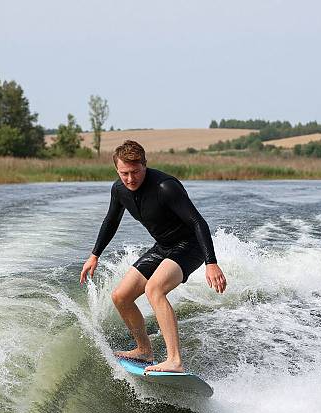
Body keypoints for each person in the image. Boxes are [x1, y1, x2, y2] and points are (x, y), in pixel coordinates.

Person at [80, 140, 226, 373]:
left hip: (190, 246)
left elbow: (198, 222)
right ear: (117, 170)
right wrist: (94, 255)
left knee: (154, 290)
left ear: (145, 165)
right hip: (163, 246)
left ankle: (174, 361)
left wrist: (211, 263)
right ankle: (144, 350)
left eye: (135, 172)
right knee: (121, 296)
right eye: (124, 173)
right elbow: (111, 221)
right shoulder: (119, 190)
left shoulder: (165, 187)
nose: (130, 179)